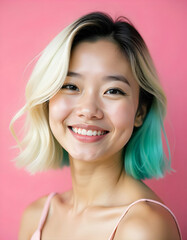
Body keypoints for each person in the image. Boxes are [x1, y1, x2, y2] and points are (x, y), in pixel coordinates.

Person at [10, 12, 182, 240]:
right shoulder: (37, 215)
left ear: (140, 111)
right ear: (47, 99)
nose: (88, 110)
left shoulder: (143, 228)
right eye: (70, 86)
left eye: (113, 91)